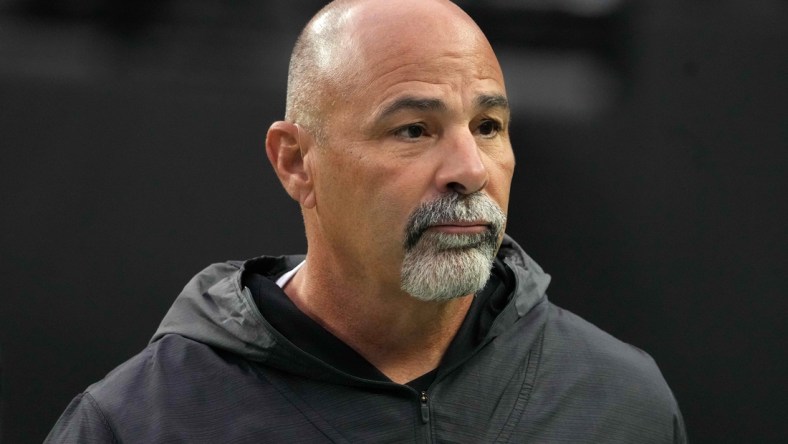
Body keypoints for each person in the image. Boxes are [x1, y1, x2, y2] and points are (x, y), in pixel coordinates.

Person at [46, 0, 686, 442]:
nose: (471, 168)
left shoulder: (621, 402)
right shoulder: (140, 424)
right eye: (414, 129)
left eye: (488, 127)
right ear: (297, 162)